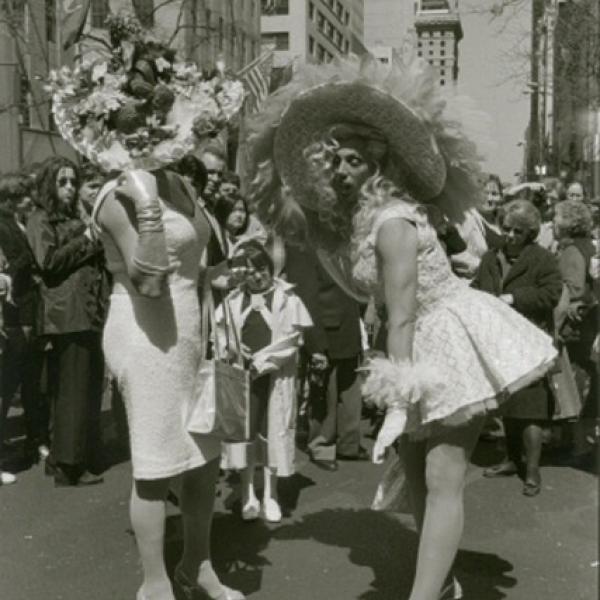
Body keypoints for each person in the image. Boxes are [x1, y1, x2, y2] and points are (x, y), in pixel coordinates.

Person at [245, 55, 558, 600]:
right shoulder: (360, 227)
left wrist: (397, 396)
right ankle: (442, 585)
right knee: (417, 481)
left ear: (377, 165)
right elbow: (360, 291)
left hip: (445, 340)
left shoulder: (393, 223)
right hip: (408, 343)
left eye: (351, 161)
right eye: (332, 161)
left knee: (441, 479)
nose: (340, 170)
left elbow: (406, 312)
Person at [48, 14, 245, 599]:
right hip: (144, 330)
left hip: (191, 330)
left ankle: (199, 567)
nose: (157, 127)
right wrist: (145, 202)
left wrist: (221, 274)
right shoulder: (118, 195)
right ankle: (156, 581)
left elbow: (188, 270)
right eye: (143, 117)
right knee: (158, 464)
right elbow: (151, 280)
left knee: (204, 460)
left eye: (161, 114)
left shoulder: (183, 182)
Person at [26, 158, 107, 486]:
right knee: (72, 389)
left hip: (87, 311)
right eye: (63, 182)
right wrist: (87, 239)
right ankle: (69, 465)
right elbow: (49, 261)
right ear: (49, 184)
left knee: (84, 387)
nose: (70, 189)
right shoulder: (39, 218)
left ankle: (67, 456)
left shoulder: (74, 216)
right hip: (66, 313)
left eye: (73, 182)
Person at [217, 241, 312, 522]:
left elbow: (292, 340)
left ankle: (270, 494)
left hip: (274, 378)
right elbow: (221, 335)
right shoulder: (232, 300)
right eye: (250, 271)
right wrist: (234, 349)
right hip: (242, 377)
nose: (257, 276)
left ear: (271, 269)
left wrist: (262, 362)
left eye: (262, 269)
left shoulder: (289, 299)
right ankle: (248, 492)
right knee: (245, 436)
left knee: (273, 433)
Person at [472, 200, 562, 496]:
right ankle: (511, 459)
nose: (510, 235)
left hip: (530, 340)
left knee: (531, 408)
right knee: (509, 403)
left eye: (518, 232)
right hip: (498, 341)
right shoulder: (490, 257)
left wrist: (514, 298)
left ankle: (533, 470)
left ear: (531, 233)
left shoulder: (543, 258)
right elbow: (477, 290)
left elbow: (551, 294)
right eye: (506, 229)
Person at [0, 172, 48, 474]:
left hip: (27, 308)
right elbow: (10, 266)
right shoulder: (4, 226)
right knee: (10, 382)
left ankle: (36, 438)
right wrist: (29, 264)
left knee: (31, 380)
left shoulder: (18, 222)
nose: (30, 200)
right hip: (14, 313)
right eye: (23, 196)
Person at [553, 199, 598, 459]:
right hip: (591, 319)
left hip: (577, 324)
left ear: (569, 223)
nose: (554, 222)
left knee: (575, 380)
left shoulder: (571, 250)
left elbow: (573, 288)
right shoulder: (588, 245)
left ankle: (577, 442)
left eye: (557, 218)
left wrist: (558, 321)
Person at [199, 145, 227, 213]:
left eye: (220, 174)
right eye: (210, 172)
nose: (216, 179)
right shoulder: (183, 205)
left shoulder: (217, 211)